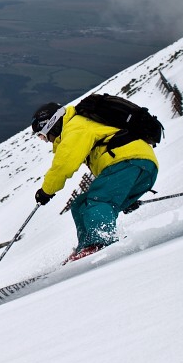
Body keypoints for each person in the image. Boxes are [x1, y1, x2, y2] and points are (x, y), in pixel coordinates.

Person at [30, 102, 159, 262]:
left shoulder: (76, 127)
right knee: (80, 204)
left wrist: (46, 191)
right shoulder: (80, 124)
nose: (44, 140)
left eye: (42, 135)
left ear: (51, 125)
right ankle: (85, 246)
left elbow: (64, 165)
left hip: (129, 161)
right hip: (140, 167)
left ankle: (101, 242)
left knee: (99, 200)